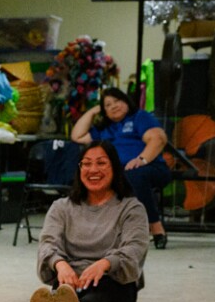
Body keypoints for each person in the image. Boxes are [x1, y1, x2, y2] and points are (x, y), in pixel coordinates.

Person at [31, 141, 150, 302]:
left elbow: (135, 248)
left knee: (96, 297)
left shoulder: (131, 208)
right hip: (69, 280)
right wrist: (61, 265)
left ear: (115, 168)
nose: (93, 170)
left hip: (113, 281)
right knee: (65, 291)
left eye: (101, 163)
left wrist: (104, 264)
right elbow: (48, 244)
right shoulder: (61, 207)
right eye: (86, 164)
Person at [71, 86, 170, 248]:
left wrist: (141, 159)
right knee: (89, 175)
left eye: (117, 101)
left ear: (126, 101)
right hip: (118, 173)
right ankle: (92, 232)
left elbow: (158, 138)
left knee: (134, 175)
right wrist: (92, 112)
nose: (113, 106)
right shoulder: (105, 128)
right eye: (108, 105)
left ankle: (156, 227)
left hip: (150, 168)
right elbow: (77, 136)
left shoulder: (139, 117)